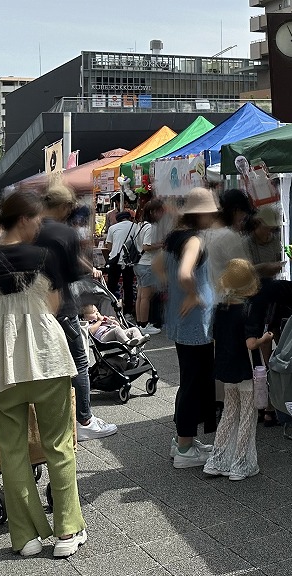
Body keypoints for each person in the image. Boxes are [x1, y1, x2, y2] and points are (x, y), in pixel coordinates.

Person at [0, 191, 86, 559]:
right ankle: (67, 532)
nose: (39, 225)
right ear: (24, 220)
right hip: (46, 358)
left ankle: (26, 537)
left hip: (0, 365)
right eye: (36, 219)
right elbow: (53, 306)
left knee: (13, 453)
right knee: (59, 446)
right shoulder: (45, 257)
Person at [37, 184, 116, 442]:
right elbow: (72, 271)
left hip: (35, 307)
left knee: (46, 365)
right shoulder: (63, 232)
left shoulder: (31, 228)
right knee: (78, 361)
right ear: (64, 207)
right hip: (62, 305)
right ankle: (84, 419)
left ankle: (50, 420)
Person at [154, 189, 220, 468]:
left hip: (182, 322)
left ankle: (185, 441)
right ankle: (184, 447)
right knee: (195, 383)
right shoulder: (193, 240)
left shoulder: (174, 239)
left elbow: (157, 267)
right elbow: (184, 273)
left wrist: (175, 290)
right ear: (201, 214)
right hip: (195, 323)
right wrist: (193, 294)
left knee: (189, 381)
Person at [203, 259, 270, 481]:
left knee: (229, 413)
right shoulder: (248, 309)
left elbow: (213, 337)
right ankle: (241, 464)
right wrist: (266, 338)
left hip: (225, 366)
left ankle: (217, 460)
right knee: (248, 415)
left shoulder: (220, 308)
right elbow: (251, 344)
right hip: (246, 368)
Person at [134, 199, 167, 336]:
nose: (161, 214)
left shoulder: (140, 225)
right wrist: (161, 244)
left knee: (141, 296)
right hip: (147, 264)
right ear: (153, 212)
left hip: (139, 264)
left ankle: (140, 323)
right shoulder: (150, 227)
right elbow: (146, 246)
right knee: (145, 297)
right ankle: (144, 325)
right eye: (160, 211)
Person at [102, 207, 136, 312]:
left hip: (114, 259)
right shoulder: (135, 227)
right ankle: (128, 311)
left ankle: (111, 310)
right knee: (128, 286)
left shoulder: (113, 228)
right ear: (128, 218)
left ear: (118, 219)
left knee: (111, 286)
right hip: (129, 260)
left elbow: (109, 246)